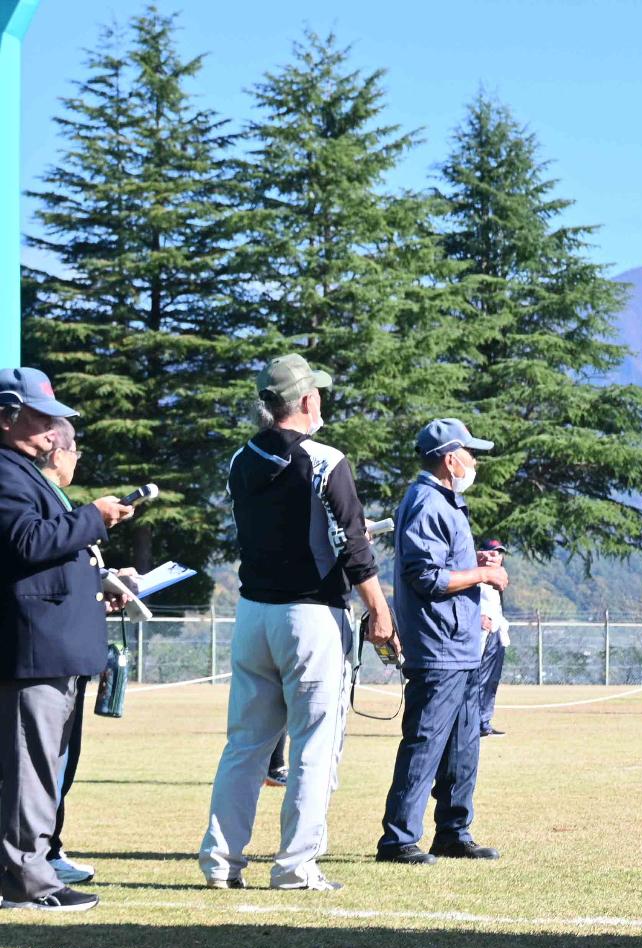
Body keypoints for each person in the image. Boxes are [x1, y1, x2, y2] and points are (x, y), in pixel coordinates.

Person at [199, 355, 395, 892]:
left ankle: (220, 862)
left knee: (244, 745)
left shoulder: (241, 458)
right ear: (307, 400)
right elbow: (353, 544)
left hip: (253, 613)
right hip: (310, 615)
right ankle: (294, 866)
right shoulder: (327, 458)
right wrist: (379, 608)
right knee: (313, 743)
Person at [2, 372, 134, 911]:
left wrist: (94, 584)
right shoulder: (6, 471)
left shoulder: (21, 470)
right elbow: (27, 543)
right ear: (6, 414)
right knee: (30, 772)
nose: (55, 432)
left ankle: (27, 873)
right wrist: (93, 517)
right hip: (33, 650)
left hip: (50, 645)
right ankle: (27, 882)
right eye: (41, 418)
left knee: (36, 768)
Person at [377, 419, 507, 865]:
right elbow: (425, 576)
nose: (474, 462)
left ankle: (453, 831)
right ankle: (397, 839)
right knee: (426, 741)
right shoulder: (427, 503)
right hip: (439, 647)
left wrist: (475, 560)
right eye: (470, 454)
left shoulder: (447, 503)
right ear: (450, 459)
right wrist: (485, 573)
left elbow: (444, 563)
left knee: (463, 744)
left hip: (463, 645)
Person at [37, 417, 136, 887]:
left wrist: (104, 581)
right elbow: (33, 548)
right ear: (57, 452)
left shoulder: (55, 497)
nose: (77, 460)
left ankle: (46, 849)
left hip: (68, 647)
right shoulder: (28, 489)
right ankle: (35, 858)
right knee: (41, 763)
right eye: (75, 451)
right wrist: (95, 515)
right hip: (43, 648)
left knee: (60, 760)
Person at [475, 538, 509, 737]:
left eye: (499, 552)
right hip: (482, 634)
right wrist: (476, 618)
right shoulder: (476, 575)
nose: (496, 556)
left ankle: (484, 721)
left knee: (492, 680)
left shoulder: (498, 579)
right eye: (493, 552)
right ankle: (474, 722)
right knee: (479, 678)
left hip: (497, 631)